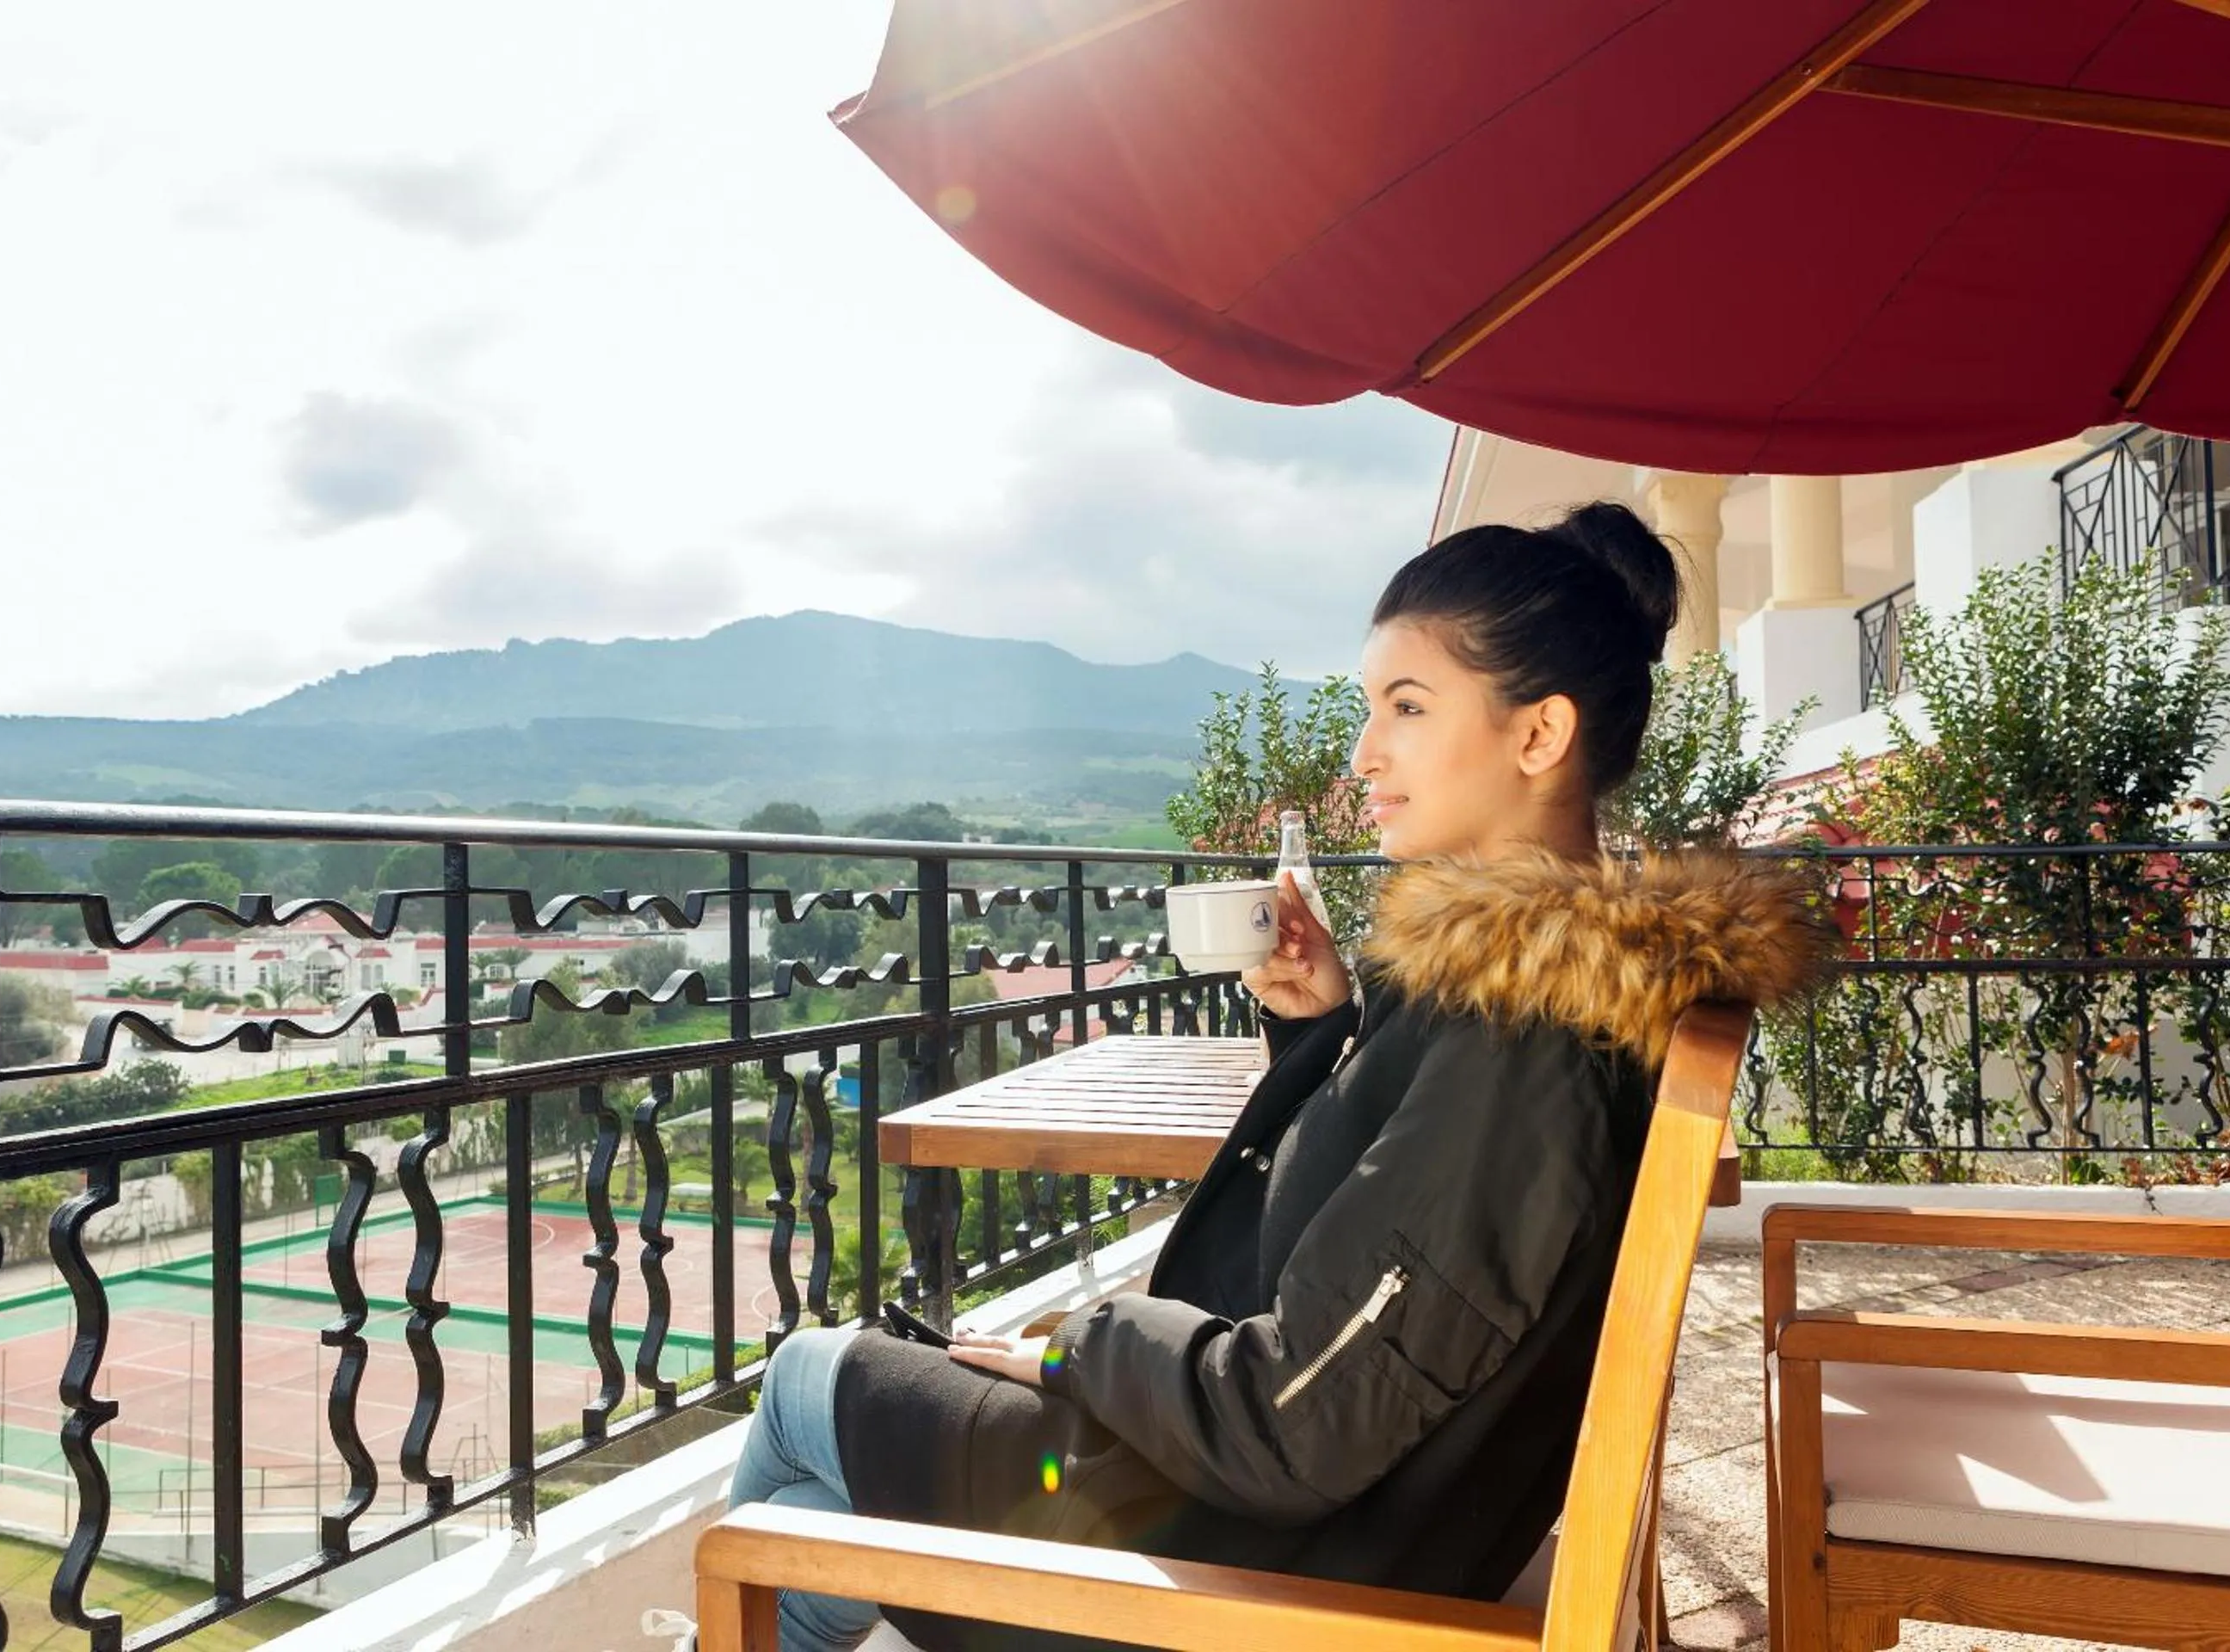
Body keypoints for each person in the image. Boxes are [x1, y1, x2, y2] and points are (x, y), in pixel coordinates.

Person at [717, 502, 1835, 1652]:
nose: (1367, 753)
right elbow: (1406, 1252)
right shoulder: (1536, 1006)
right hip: (1293, 1519)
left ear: (1538, 734)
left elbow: (1301, 1423)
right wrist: (1328, 1029)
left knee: (811, 1378)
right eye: (1371, 710)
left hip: (1265, 1574)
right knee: (805, 1516)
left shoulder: (1523, 1038)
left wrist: (1081, 1345)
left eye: (1407, 707)